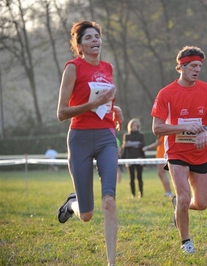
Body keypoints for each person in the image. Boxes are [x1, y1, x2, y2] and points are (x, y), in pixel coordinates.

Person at [56, 20, 123, 266]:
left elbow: (105, 101)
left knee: (109, 201)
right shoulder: (73, 68)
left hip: (106, 136)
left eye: (97, 36)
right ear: (79, 46)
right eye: (89, 38)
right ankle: (72, 203)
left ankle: (112, 263)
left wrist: (116, 109)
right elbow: (62, 112)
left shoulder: (108, 67)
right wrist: (91, 105)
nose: (95, 41)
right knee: (86, 215)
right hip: (80, 138)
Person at [151, 46, 207, 254]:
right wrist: (184, 127)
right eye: (193, 65)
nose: (197, 69)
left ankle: (179, 209)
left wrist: (205, 131)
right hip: (176, 152)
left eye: (199, 66)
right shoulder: (166, 93)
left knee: (201, 204)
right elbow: (157, 128)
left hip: (200, 151)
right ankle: (186, 241)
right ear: (181, 67)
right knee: (183, 196)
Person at [122, 118, 146, 198]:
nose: (134, 127)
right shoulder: (126, 135)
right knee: (131, 178)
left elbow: (142, 145)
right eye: (133, 125)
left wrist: (131, 144)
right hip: (130, 159)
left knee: (140, 177)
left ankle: (141, 193)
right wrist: (136, 144)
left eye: (136, 125)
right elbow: (125, 146)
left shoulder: (141, 135)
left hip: (139, 158)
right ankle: (133, 194)